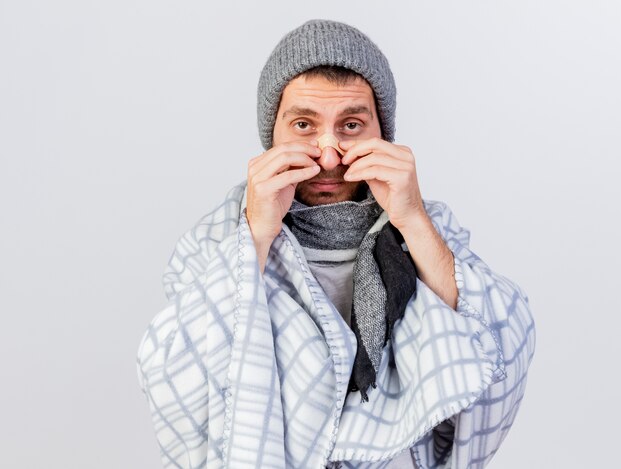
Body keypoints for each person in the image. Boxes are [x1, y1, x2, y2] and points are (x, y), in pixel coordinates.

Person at [136, 19, 536, 469]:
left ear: (383, 133)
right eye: (304, 125)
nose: (328, 156)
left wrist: (413, 219)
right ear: (272, 135)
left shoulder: (428, 227)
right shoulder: (221, 238)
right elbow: (172, 379)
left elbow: (499, 348)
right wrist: (255, 236)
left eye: (351, 125)